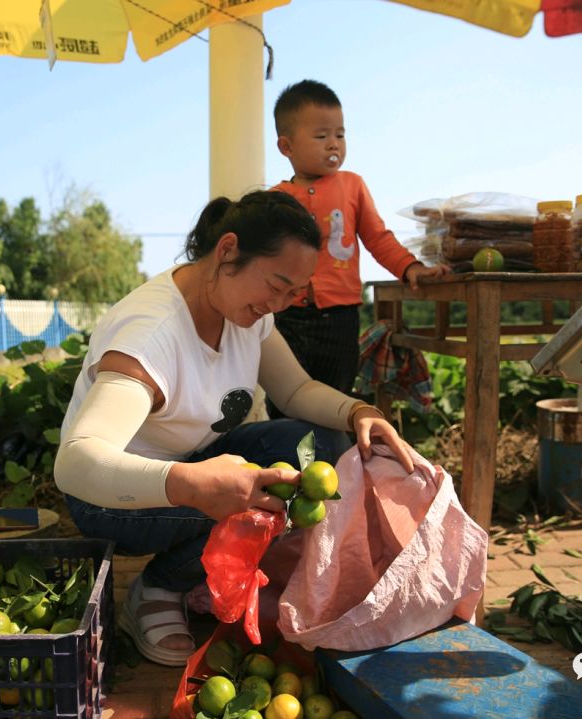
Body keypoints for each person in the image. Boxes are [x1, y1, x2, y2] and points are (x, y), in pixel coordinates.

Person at [54, 190, 416, 667]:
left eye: (293, 294)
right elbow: (76, 464)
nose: (280, 305)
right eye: (277, 285)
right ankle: (159, 588)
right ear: (227, 251)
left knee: (319, 446)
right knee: (259, 492)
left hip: (190, 463)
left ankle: (204, 560)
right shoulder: (149, 335)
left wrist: (359, 412)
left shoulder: (245, 312)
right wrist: (191, 484)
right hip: (112, 497)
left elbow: (296, 390)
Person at [270, 79, 449, 401]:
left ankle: (334, 451)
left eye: (340, 134)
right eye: (321, 136)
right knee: (284, 396)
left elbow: (378, 238)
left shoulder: (353, 186)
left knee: (336, 395)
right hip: (286, 317)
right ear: (286, 147)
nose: (334, 144)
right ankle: (283, 448)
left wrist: (410, 268)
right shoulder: (275, 199)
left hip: (340, 316)